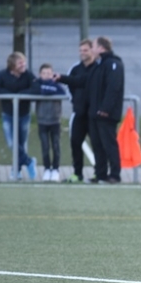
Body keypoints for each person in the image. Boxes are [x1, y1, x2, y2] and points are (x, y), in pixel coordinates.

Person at [0, 51, 37, 181]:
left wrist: (21, 95)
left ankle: (16, 170)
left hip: (24, 115)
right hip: (8, 115)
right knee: (12, 144)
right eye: (20, 63)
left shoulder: (28, 75)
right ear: (12, 65)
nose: (23, 64)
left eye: (24, 62)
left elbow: (36, 88)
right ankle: (29, 161)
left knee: (21, 143)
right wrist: (9, 95)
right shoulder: (2, 75)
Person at [55, 39, 98, 183]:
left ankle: (99, 172)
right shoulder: (75, 68)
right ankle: (77, 173)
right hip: (79, 113)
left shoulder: (98, 68)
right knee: (75, 142)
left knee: (97, 143)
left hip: (94, 114)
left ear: (92, 50)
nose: (82, 53)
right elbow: (70, 85)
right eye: (81, 50)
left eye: (85, 50)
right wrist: (76, 101)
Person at [86, 36, 125, 183]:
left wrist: (105, 108)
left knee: (109, 144)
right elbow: (87, 82)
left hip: (106, 114)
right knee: (97, 145)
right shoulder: (99, 65)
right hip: (95, 113)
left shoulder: (113, 64)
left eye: (93, 46)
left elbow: (113, 88)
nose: (91, 49)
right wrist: (63, 78)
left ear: (101, 48)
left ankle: (115, 175)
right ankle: (100, 174)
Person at [28, 63, 67, 181]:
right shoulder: (36, 84)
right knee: (45, 147)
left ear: (52, 74)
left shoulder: (57, 85)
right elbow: (34, 92)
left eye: (49, 73)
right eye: (44, 73)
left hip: (55, 121)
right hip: (42, 121)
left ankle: (55, 169)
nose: (46, 75)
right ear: (40, 74)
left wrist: (46, 90)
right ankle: (46, 169)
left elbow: (62, 93)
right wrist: (46, 90)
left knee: (56, 146)